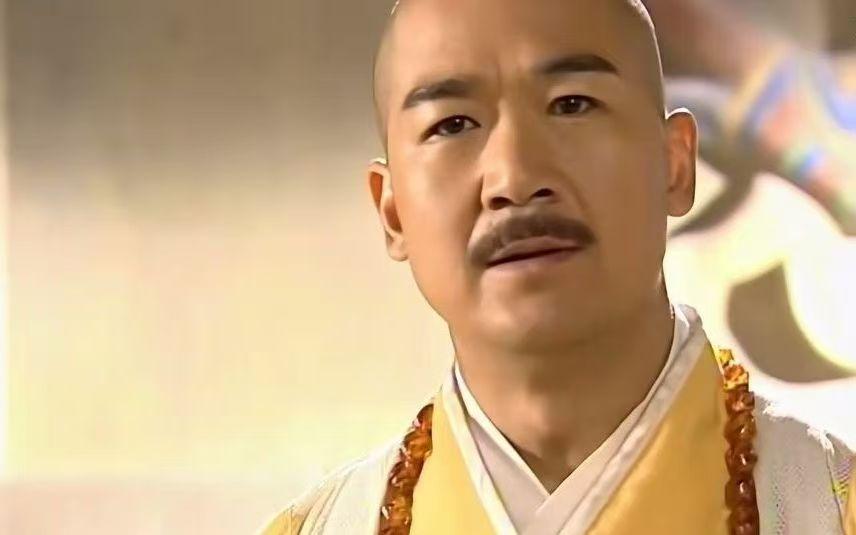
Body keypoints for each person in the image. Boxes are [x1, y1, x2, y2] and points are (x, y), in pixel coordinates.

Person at [263, 0, 856, 533]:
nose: (515, 178)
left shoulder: (828, 506)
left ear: (675, 165)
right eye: (452, 124)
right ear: (392, 212)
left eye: (572, 104)